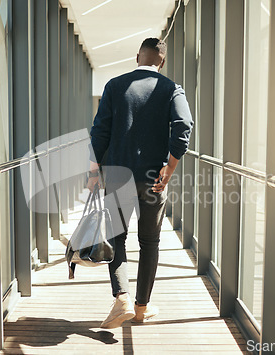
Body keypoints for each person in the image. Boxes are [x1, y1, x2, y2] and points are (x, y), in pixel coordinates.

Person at [87, 38, 193, 329]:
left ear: (137, 57)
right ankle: (142, 307)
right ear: (162, 61)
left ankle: (121, 296)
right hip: (153, 179)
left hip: (117, 174)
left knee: (117, 237)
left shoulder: (114, 86)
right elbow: (184, 125)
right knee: (149, 242)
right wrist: (169, 167)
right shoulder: (171, 89)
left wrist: (93, 171)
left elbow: (100, 131)